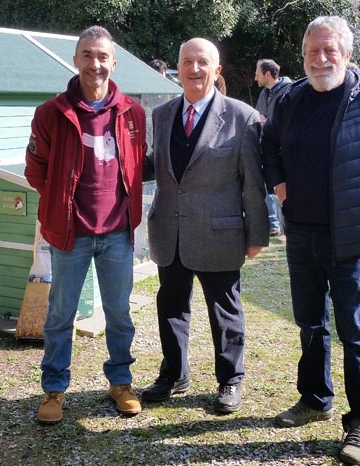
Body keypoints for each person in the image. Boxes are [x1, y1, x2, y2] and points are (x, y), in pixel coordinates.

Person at [262, 16, 360, 465]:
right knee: (310, 323)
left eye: (329, 50)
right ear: (303, 56)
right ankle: (315, 399)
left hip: (349, 238)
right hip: (301, 232)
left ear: (347, 54)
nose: (320, 59)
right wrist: (278, 186)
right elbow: (269, 145)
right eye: (312, 52)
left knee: (355, 331)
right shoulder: (291, 97)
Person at [24, 25, 147, 424]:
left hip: (116, 233)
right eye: (87, 55)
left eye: (102, 56)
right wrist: (62, 205)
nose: (95, 63)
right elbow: (35, 171)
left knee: (119, 312)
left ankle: (121, 382)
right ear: (76, 60)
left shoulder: (132, 112)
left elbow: (136, 169)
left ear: (114, 61)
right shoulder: (51, 113)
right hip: (70, 234)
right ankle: (54, 390)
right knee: (61, 313)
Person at [142, 38, 269, 414]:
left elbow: (252, 182)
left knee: (224, 312)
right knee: (171, 306)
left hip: (220, 232)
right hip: (170, 230)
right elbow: (154, 164)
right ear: (176, 70)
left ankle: (230, 378)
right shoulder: (162, 115)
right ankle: (174, 374)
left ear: (217, 71)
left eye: (202, 63)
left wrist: (257, 233)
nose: (193, 69)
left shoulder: (241, 116)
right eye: (186, 62)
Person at [254, 59, 293, 237]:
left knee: (283, 187)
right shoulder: (263, 94)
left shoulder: (290, 91)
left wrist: (266, 122)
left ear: (267, 74)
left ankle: (286, 225)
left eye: (257, 73)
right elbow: (259, 116)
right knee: (269, 184)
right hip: (267, 148)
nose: (255, 77)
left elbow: (289, 121)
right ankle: (274, 224)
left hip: (285, 150)